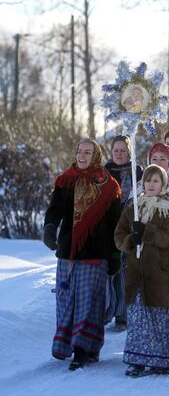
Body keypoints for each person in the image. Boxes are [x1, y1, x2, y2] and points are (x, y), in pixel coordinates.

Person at [43, 139, 121, 370]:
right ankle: (66, 345)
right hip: (68, 253)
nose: (82, 156)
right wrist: (49, 228)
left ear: (95, 156)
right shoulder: (65, 180)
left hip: (96, 254)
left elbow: (115, 224)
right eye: (79, 152)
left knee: (89, 303)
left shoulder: (109, 186)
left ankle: (83, 349)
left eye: (88, 152)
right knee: (66, 300)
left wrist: (115, 255)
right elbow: (54, 209)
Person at [114, 165, 169, 376]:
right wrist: (130, 240)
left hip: (159, 275)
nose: (151, 184)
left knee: (158, 318)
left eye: (156, 181)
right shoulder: (133, 208)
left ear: (163, 184)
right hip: (136, 273)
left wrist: (148, 232)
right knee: (137, 319)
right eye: (148, 180)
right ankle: (136, 359)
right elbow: (119, 235)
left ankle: (160, 359)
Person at [104, 135, 143, 331]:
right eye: (116, 150)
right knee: (110, 271)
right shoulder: (104, 171)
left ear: (129, 152)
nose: (119, 154)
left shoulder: (136, 170)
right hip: (108, 227)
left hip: (128, 226)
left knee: (126, 272)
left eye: (123, 150)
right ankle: (108, 311)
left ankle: (123, 316)